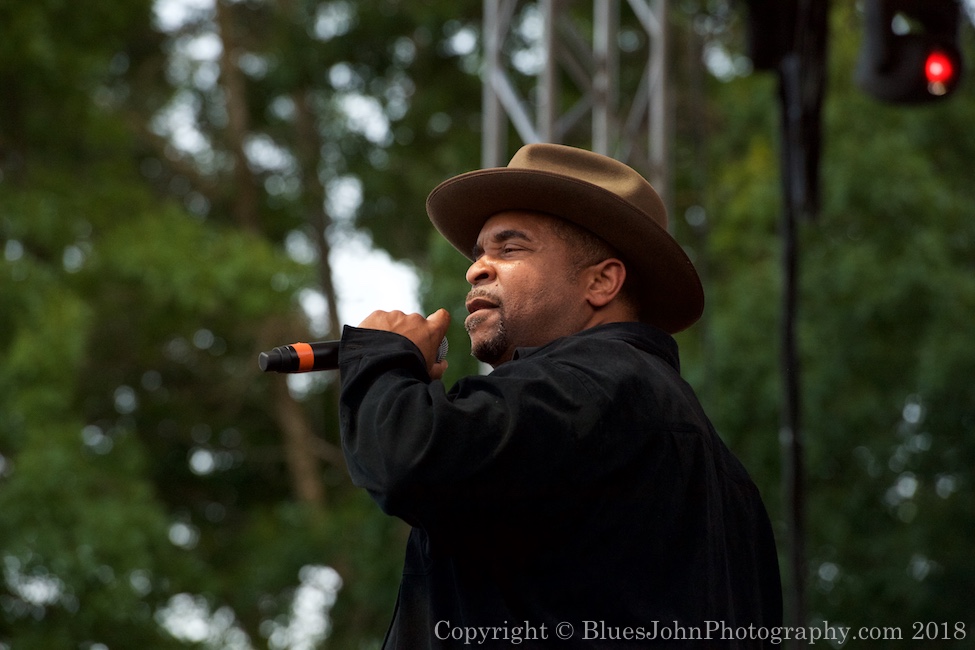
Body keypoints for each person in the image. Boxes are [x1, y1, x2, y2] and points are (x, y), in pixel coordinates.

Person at [338, 143, 782, 648]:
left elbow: (407, 455)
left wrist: (382, 356)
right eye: (480, 253)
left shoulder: (595, 384)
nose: (475, 269)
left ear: (602, 282)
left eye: (510, 249)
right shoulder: (728, 482)